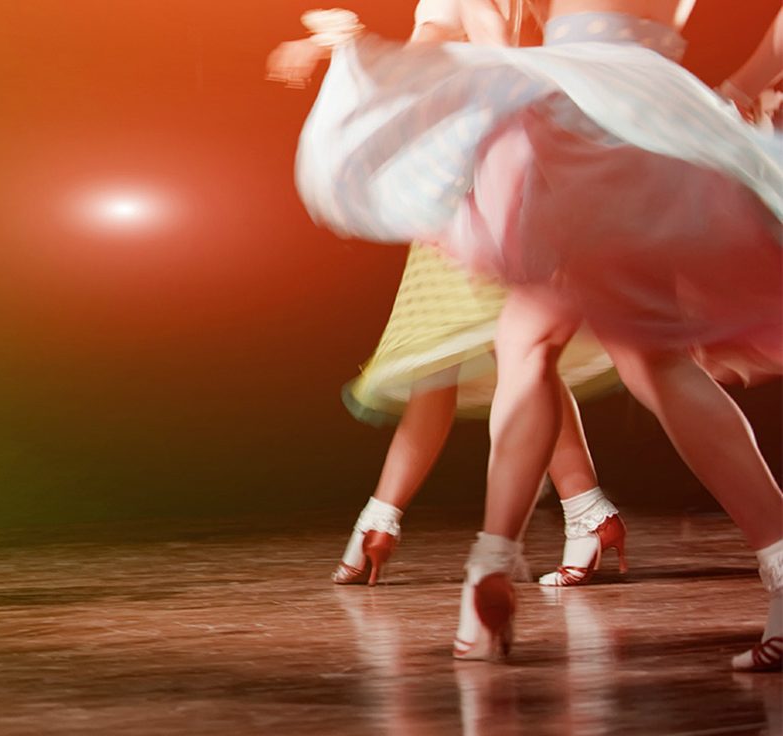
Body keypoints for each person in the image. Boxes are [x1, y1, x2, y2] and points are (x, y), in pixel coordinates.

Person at [285, 0, 783, 667]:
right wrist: (739, 89)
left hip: (571, 109)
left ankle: (491, 570)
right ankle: (507, 559)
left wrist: (357, 48)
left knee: (546, 347)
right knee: (590, 349)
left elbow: (471, 36)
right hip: (653, 106)